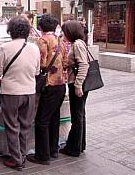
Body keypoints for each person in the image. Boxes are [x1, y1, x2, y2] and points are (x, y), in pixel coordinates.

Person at [0, 16, 40, 171]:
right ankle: (23, 155)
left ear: (10, 31)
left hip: (11, 93)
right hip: (30, 92)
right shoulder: (34, 48)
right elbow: (37, 71)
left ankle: (16, 159)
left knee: (12, 126)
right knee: (25, 126)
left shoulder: (6, 48)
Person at [27, 14, 68, 165]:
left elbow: (41, 63)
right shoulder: (60, 40)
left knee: (42, 120)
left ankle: (42, 156)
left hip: (49, 85)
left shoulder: (42, 40)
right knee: (54, 118)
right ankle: (53, 151)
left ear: (41, 27)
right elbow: (65, 61)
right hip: (61, 84)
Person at [60, 20, 89, 157]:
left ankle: (73, 148)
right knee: (80, 114)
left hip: (78, 84)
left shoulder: (77, 44)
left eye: (64, 31)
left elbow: (84, 65)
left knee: (77, 116)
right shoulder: (79, 43)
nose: (62, 34)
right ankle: (79, 145)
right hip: (80, 83)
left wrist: (78, 85)